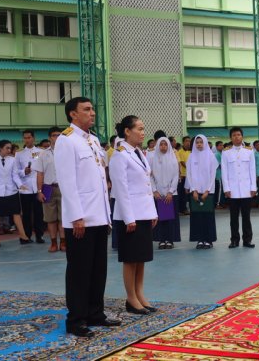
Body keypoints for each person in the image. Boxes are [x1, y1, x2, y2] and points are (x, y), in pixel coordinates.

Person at [54, 96, 120, 338]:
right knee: (79, 271)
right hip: (80, 218)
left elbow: (101, 181)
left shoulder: (92, 140)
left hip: (99, 215)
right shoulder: (66, 140)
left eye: (92, 109)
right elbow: (67, 182)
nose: (92, 113)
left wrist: (106, 215)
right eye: (87, 109)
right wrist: (76, 217)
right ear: (73, 114)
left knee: (97, 269)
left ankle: (95, 313)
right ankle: (76, 319)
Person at [110, 115, 159, 315]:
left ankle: (140, 294)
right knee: (130, 258)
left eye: (143, 128)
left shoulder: (139, 152)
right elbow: (121, 189)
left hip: (144, 212)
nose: (142, 132)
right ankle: (131, 298)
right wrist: (129, 218)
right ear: (127, 131)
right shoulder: (120, 155)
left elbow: (147, 185)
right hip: (129, 216)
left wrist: (152, 212)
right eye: (139, 128)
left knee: (141, 257)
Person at [0, 140, 31, 246]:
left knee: (16, 213)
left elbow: (15, 175)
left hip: (12, 191)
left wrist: (20, 185)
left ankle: (23, 236)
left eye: (10, 148)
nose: (9, 150)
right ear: (0, 148)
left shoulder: (12, 160)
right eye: (7, 148)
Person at [221, 127, 257, 249]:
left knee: (246, 217)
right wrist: (226, 188)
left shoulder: (249, 151)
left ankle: (247, 240)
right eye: (234, 135)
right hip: (233, 191)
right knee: (233, 218)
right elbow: (224, 172)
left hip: (247, 189)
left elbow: (252, 170)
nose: (236, 137)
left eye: (238, 135)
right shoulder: (226, 152)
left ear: (242, 136)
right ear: (230, 138)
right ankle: (234, 240)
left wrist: (253, 187)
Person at [35, 126, 65, 253]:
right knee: (50, 218)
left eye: (59, 135)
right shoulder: (42, 154)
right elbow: (40, 174)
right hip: (48, 188)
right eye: (54, 135)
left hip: (63, 188)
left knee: (63, 218)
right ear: (49, 137)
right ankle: (53, 243)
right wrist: (39, 191)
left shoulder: (66, 151)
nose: (56, 138)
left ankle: (63, 242)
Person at [187, 135, 218, 249]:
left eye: (201, 142)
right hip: (195, 192)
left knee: (207, 216)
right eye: (197, 142)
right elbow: (189, 175)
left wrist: (207, 190)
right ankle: (199, 239)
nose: (199, 144)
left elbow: (212, 175)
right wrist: (193, 190)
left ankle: (208, 240)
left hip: (207, 192)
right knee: (197, 216)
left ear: (205, 143)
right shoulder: (191, 156)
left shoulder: (210, 156)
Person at [15, 130, 45, 244]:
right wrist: (24, 171)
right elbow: (16, 171)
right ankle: (26, 236)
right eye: (25, 138)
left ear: (34, 138)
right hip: (25, 187)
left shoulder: (41, 152)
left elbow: (43, 169)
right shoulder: (19, 153)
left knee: (39, 213)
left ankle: (39, 235)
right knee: (26, 214)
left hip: (38, 186)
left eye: (29, 137)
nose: (27, 140)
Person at [150, 137, 180, 249]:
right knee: (160, 218)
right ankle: (162, 240)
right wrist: (154, 190)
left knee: (170, 218)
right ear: (158, 145)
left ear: (168, 146)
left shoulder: (173, 159)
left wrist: (171, 192)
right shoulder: (153, 159)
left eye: (165, 144)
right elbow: (150, 176)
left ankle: (170, 240)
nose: (163, 146)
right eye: (161, 144)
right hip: (158, 194)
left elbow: (176, 176)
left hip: (171, 194)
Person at [176, 136, 191, 215]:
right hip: (183, 176)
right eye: (186, 141)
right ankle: (181, 209)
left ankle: (185, 208)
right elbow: (182, 163)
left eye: (189, 141)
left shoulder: (191, 152)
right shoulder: (180, 152)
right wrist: (191, 167)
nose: (188, 142)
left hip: (189, 177)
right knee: (181, 193)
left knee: (187, 194)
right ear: (183, 142)